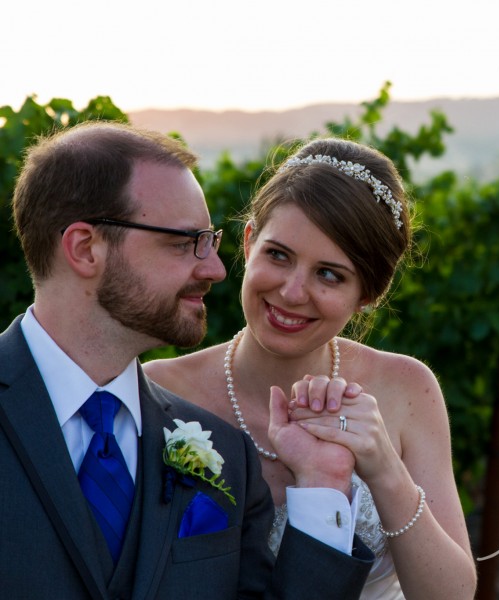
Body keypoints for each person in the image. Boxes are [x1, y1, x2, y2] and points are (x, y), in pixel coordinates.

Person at [0, 121, 374, 599]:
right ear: (85, 248)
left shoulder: (227, 456)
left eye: (210, 241)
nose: (215, 269)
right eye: (183, 242)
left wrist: (323, 482)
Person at [144, 138, 478, 599]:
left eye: (329, 274)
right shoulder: (159, 392)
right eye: (278, 255)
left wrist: (382, 467)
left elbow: (452, 595)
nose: (292, 292)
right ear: (248, 241)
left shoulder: (407, 390)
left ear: (368, 295)